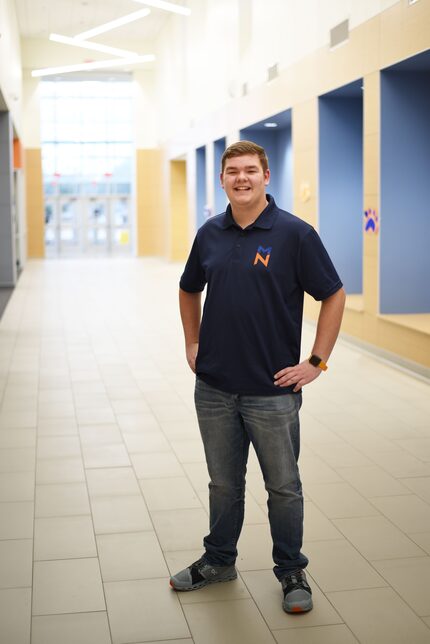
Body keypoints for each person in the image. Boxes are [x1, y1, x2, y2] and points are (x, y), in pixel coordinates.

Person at [170, 140, 345, 614]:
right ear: (222, 179)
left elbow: (333, 294)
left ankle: (291, 570)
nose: (241, 178)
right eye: (232, 171)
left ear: (267, 176)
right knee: (223, 484)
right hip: (214, 388)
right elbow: (188, 290)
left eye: (250, 170)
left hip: (273, 391)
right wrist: (192, 342)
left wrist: (316, 361)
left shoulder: (295, 234)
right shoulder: (209, 234)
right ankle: (219, 560)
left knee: (283, 487)